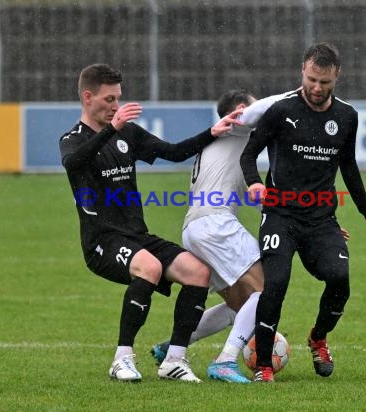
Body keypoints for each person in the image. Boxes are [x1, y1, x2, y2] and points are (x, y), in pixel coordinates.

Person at [149, 89, 352, 383]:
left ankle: (172, 348)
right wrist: (299, 91)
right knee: (267, 289)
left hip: (196, 228)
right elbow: (263, 109)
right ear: (243, 110)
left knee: (241, 306)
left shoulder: (226, 142)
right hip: (215, 225)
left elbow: (265, 202)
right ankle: (226, 360)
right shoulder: (237, 127)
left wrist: (321, 226)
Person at [59, 63, 241, 383]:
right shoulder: (73, 139)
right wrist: (110, 129)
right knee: (150, 267)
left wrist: (211, 133)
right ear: (88, 97)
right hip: (102, 240)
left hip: (135, 235)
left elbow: (171, 152)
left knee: (198, 273)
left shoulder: (126, 131)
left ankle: (174, 360)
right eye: (108, 100)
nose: (115, 106)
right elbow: (75, 163)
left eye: (118, 99)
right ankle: (122, 359)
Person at [240, 42, 366, 383]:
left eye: (325, 82)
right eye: (311, 80)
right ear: (302, 73)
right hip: (279, 214)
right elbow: (249, 154)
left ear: (337, 77)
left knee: (339, 279)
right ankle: (263, 366)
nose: (317, 88)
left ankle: (318, 338)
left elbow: (348, 165)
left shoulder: (347, 116)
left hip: (321, 218)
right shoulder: (280, 110)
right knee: (275, 283)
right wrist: (254, 183)